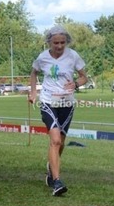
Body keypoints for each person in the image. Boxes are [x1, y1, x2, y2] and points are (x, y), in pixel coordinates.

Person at [28, 25, 88, 196]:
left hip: (66, 104)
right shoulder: (43, 57)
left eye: (62, 42)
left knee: (60, 143)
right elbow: (33, 73)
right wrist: (33, 92)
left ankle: (51, 170)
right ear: (49, 42)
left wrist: (75, 84)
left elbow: (84, 77)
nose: (60, 46)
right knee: (54, 140)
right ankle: (57, 182)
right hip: (48, 101)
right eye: (56, 43)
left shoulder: (73, 56)